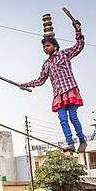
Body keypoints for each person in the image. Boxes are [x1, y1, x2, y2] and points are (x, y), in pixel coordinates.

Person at [21, 19, 86, 153]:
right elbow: (40, 80)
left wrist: (77, 29)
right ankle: (70, 143)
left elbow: (79, 45)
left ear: (55, 46)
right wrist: (26, 84)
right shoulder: (46, 64)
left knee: (73, 117)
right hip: (58, 95)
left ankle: (82, 141)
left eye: (48, 45)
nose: (46, 48)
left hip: (70, 90)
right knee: (63, 119)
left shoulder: (64, 54)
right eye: (44, 47)